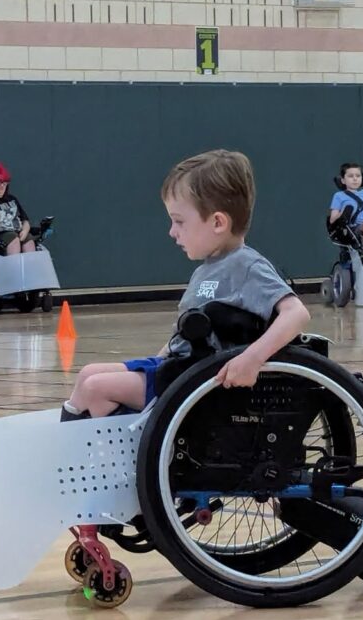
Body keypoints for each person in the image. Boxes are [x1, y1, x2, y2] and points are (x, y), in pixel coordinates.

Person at [61, 149, 311, 420]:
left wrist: (252, 358)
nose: (172, 231)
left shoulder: (247, 266)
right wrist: (158, 359)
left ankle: (105, 456)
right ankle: (72, 446)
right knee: (88, 373)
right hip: (179, 368)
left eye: (179, 221)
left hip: (200, 379)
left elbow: (297, 314)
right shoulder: (206, 269)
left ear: (218, 222)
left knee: (97, 388)